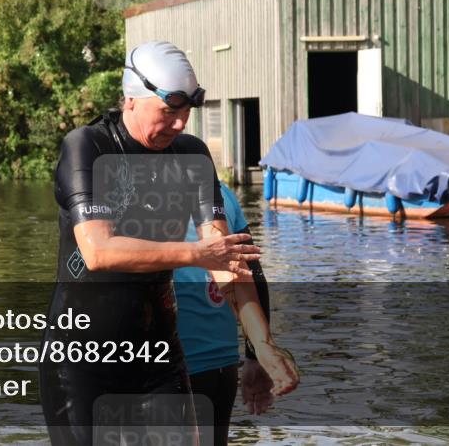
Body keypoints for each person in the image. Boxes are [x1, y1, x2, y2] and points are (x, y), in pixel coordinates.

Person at [40, 40, 297, 446]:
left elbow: (225, 257)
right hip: (82, 359)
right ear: (131, 99)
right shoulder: (88, 146)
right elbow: (98, 251)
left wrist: (262, 347)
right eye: (169, 111)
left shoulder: (192, 156)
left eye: (186, 112)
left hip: (159, 355)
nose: (180, 124)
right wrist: (197, 254)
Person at [175, 182, 292, 446]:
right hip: (222, 363)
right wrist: (254, 356)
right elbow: (254, 273)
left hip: (176, 363)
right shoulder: (221, 192)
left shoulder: (137, 196)